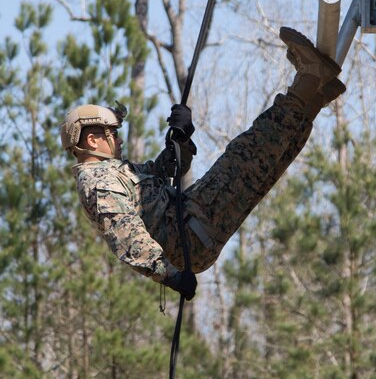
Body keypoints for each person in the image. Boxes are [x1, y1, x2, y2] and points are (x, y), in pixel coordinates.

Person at [61, 28, 344, 299]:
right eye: (112, 134)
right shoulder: (97, 183)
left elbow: (169, 170)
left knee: (264, 164)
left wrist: (181, 137)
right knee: (248, 153)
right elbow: (125, 236)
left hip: (193, 226)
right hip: (189, 230)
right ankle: (310, 77)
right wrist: (170, 275)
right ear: (92, 141)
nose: (119, 141)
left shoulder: (115, 173)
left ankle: (316, 93)